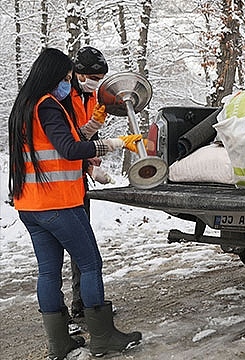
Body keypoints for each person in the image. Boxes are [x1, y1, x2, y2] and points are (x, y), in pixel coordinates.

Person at [8, 47, 144, 359]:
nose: (68, 84)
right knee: (90, 263)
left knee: (49, 271)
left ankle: (59, 343)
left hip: (31, 206)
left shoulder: (24, 108)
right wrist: (113, 143)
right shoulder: (49, 107)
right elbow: (69, 148)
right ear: (52, 76)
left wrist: (91, 161)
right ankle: (103, 337)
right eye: (66, 78)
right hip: (58, 204)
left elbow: (56, 150)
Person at [67, 46, 110, 321]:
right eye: (93, 77)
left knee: (83, 249)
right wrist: (95, 150)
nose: (96, 82)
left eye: (101, 77)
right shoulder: (62, 98)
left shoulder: (92, 96)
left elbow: (83, 137)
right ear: (78, 73)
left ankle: (81, 303)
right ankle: (82, 306)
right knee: (80, 251)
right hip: (62, 182)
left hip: (77, 180)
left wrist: (91, 157)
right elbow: (67, 143)